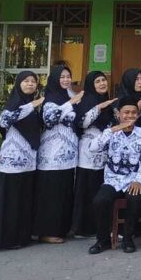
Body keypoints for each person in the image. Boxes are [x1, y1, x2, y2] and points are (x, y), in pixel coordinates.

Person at [0, 71, 43, 250]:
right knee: (11, 201)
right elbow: (4, 120)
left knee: (24, 199)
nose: (30, 84)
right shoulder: (15, 103)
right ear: (19, 83)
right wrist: (31, 106)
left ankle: (22, 236)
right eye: (26, 81)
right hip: (13, 160)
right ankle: (7, 239)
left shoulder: (32, 106)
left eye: (33, 81)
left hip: (29, 159)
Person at [89, 98, 141, 255]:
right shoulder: (110, 132)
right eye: (126, 113)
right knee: (100, 201)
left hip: (135, 178)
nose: (129, 116)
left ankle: (128, 238)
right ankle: (103, 240)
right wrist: (113, 130)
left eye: (133, 113)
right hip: (113, 179)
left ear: (138, 115)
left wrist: (139, 180)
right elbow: (93, 148)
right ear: (118, 114)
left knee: (135, 198)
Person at [34, 64, 83, 244]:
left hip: (69, 157)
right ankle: (46, 231)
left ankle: (62, 229)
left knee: (64, 193)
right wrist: (71, 103)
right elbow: (49, 119)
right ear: (55, 79)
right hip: (52, 156)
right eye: (62, 77)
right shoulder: (50, 99)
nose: (66, 80)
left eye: (68, 76)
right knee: (51, 195)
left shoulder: (69, 96)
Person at [71, 71, 117, 238]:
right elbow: (82, 122)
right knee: (87, 190)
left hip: (105, 153)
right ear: (91, 84)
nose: (102, 83)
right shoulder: (87, 101)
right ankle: (83, 228)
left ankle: (102, 227)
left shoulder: (108, 102)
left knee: (100, 189)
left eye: (103, 80)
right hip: (88, 153)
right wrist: (98, 108)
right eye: (97, 81)